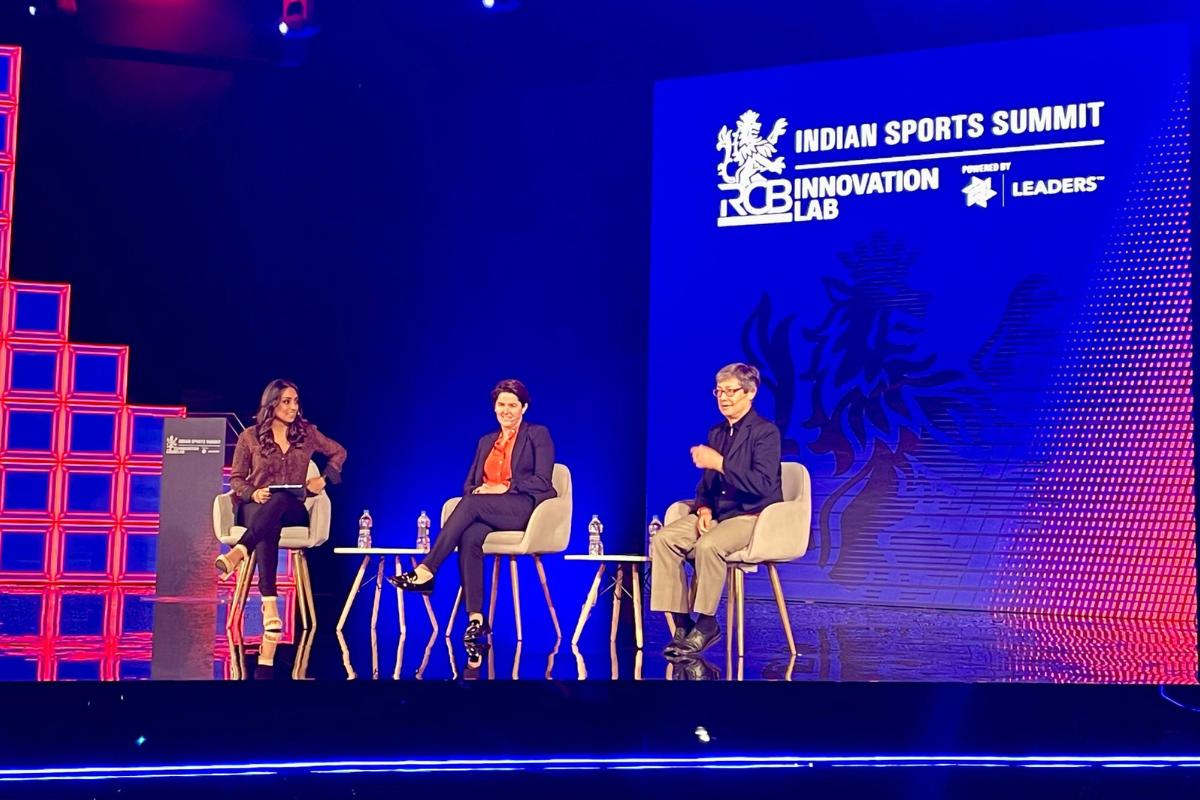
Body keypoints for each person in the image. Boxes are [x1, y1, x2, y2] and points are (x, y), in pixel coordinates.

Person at [388, 379, 556, 644]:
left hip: (524, 508)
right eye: (501, 404)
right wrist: (481, 491)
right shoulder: (486, 441)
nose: (506, 410)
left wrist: (505, 486)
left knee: (470, 504)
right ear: (494, 408)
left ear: (524, 407)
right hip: (490, 508)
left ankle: (427, 569)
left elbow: (543, 481)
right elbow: (470, 484)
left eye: (513, 405)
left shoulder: (537, 434)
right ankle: (476, 619)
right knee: (470, 535)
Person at [651, 363, 783, 658]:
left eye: (731, 391)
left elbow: (762, 485)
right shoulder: (717, 432)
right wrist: (704, 509)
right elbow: (706, 485)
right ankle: (682, 624)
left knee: (709, 545)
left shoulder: (765, 433)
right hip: (719, 514)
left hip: (751, 516)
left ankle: (707, 623)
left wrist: (720, 463)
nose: (723, 397)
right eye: (718, 391)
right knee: (663, 540)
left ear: (750, 393)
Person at [216, 379, 347, 632]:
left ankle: (240, 551)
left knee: (283, 498)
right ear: (272, 403)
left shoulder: (306, 434)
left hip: (292, 508)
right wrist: (253, 494)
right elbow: (236, 478)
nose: (293, 408)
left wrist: (324, 478)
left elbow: (339, 452)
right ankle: (270, 604)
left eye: (296, 402)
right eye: (286, 401)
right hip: (255, 506)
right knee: (269, 523)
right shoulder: (250, 436)